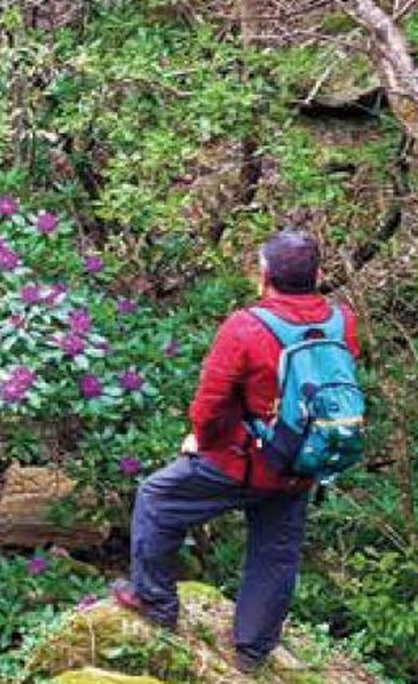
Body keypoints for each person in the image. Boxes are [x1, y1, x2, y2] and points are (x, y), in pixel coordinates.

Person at [113, 230, 358, 673]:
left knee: (156, 499)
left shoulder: (246, 326)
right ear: (318, 275)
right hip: (303, 464)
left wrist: (201, 443)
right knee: (276, 552)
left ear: (264, 277)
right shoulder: (342, 322)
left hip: (242, 462)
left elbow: (209, 406)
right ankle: (252, 651)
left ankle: (155, 603)